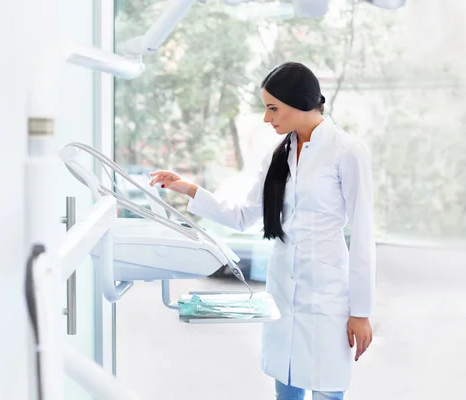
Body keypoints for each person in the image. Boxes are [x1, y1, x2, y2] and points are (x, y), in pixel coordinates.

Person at [149, 62, 375, 400]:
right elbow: (244, 217)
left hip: (328, 296)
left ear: (299, 102)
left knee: (327, 390)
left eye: (273, 108)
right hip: (283, 290)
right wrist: (188, 189)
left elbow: (362, 235)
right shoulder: (278, 155)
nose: (267, 118)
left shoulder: (346, 151)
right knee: (285, 388)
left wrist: (361, 311)